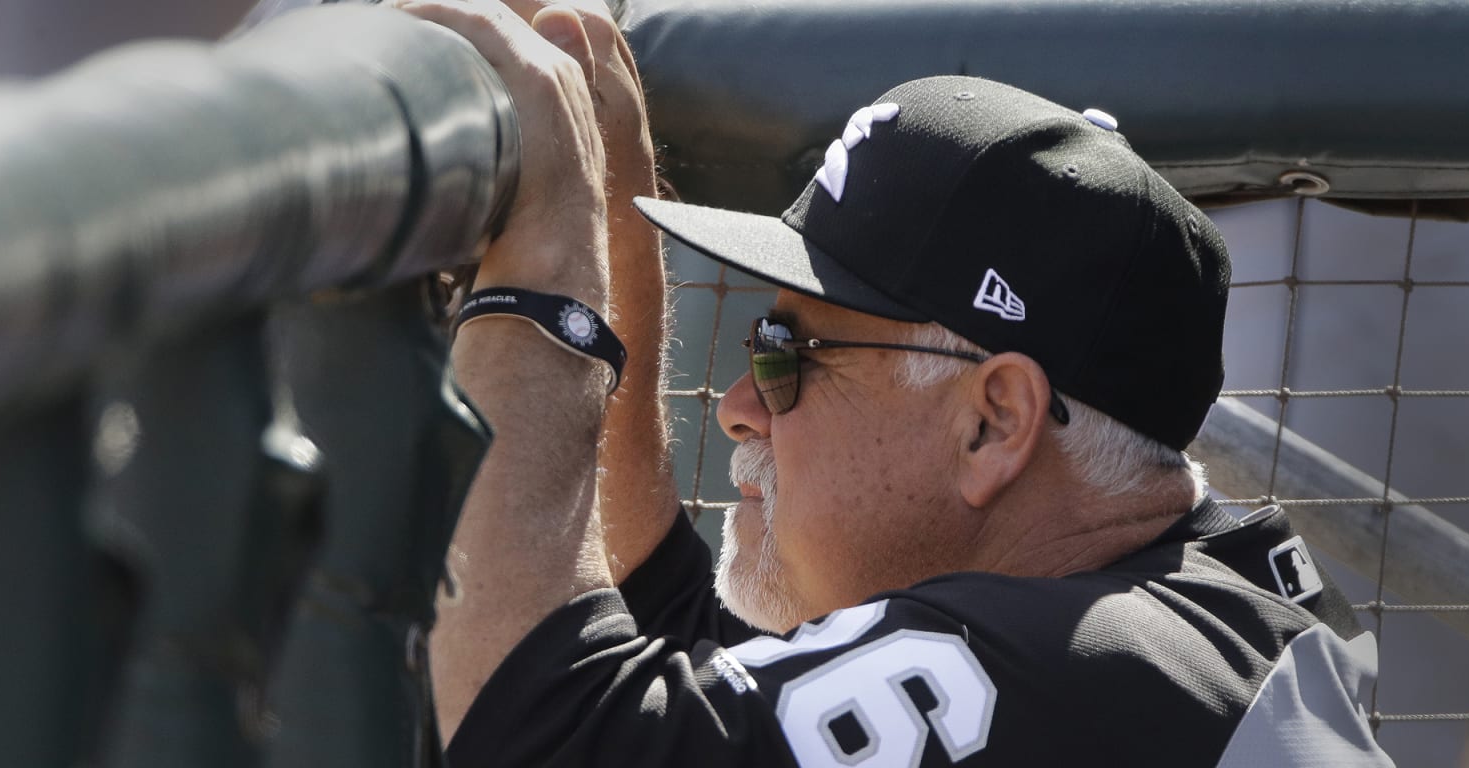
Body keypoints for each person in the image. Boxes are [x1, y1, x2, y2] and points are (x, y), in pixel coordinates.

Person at [392, 0, 1397, 764]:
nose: (739, 407)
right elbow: (689, 658)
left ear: (992, 423)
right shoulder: (1170, 615)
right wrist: (612, 203)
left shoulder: (1092, 665)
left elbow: (544, 739)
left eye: (789, 359)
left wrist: (545, 269)